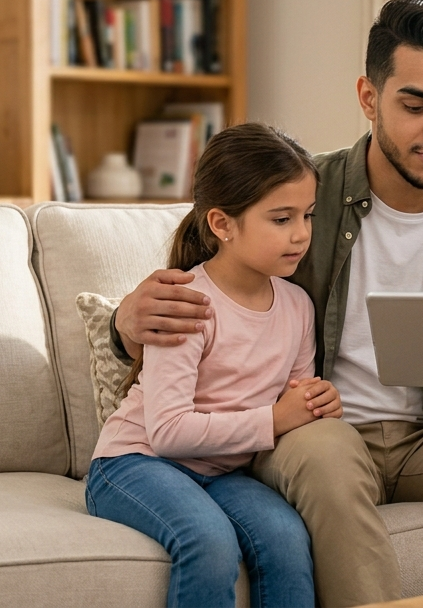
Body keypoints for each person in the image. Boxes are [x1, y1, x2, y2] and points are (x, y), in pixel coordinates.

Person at [108, 0, 423, 607]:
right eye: (416, 105)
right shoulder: (302, 193)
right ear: (368, 97)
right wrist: (126, 323)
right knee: (328, 453)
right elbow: (208, 283)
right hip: (320, 433)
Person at [86, 123, 330, 608]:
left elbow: (296, 404)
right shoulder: (187, 303)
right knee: (211, 542)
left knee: (286, 539)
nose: (301, 234)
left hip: (223, 472)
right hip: (134, 462)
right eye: (281, 219)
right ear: (222, 224)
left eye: (308, 215)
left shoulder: (298, 305)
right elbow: (169, 432)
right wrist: (275, 419)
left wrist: (318, 402)